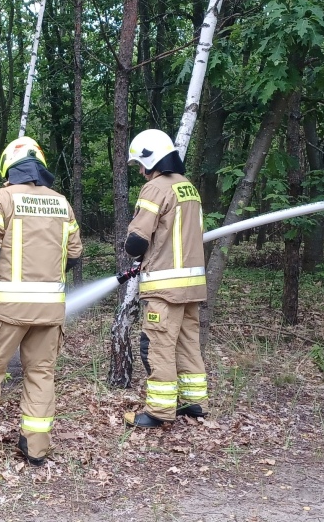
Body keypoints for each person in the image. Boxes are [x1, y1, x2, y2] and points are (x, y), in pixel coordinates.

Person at [0, 137, 83, 466]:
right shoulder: (61, 203)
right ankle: (36, 448)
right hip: (50, 312)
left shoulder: (1, 199)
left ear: (9, 167)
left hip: (7, 312)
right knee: (41, 374)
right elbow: (75, 254)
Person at [121, 129, 208, 428]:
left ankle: (158, 411)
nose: (142, 173)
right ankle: (194, 403)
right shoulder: (188, 187)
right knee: (187, 345)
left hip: (165, 288)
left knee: (156, 346)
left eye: (141, 165)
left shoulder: (156, 189)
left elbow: (137, 240)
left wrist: (134, 250)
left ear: (152, 158)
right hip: (192, 286)